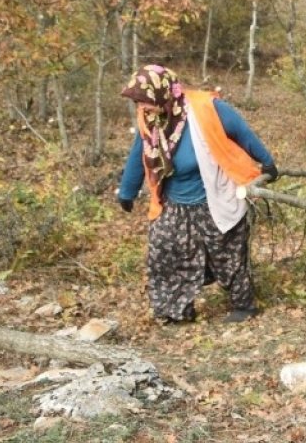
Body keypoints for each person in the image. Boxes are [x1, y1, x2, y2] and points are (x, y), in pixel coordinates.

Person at [117, 65, 278, 324]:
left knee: (227, 252)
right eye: (138, 102)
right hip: (174, 202)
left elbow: (242, 131)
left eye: (144, 101)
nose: (141, 107)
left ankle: (244, 306)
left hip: (213, 195)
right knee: (164, 252)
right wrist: (127, 190)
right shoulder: (151, 119)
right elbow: (139, 153)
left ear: (162, 94)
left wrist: (267, 163)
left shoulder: (206, 109)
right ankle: (175, 312)